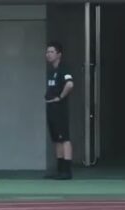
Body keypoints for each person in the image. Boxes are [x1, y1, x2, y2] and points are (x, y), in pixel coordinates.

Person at [44, 41, 74, 180]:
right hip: (50, 107)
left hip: (59, 108)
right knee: (56, 139)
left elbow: (69, 84)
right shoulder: (51, 71)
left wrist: (60, 97)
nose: (48, 55)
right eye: (47, 52)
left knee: (64, 138)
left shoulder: (63, 69)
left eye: (51, 52)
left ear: (59, 54)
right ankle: (59, 169)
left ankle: (67, 170)